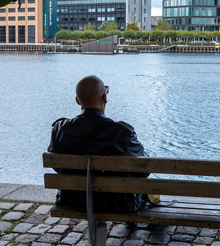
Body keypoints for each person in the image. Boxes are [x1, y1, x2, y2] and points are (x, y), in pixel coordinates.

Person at [48, 75, 148, 212]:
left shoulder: (59, 129)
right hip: (114, 203)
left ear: (77, 101)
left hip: (74, 200)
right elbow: (144, 170)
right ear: (105, 98)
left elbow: (57, 165)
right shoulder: (120, 132)